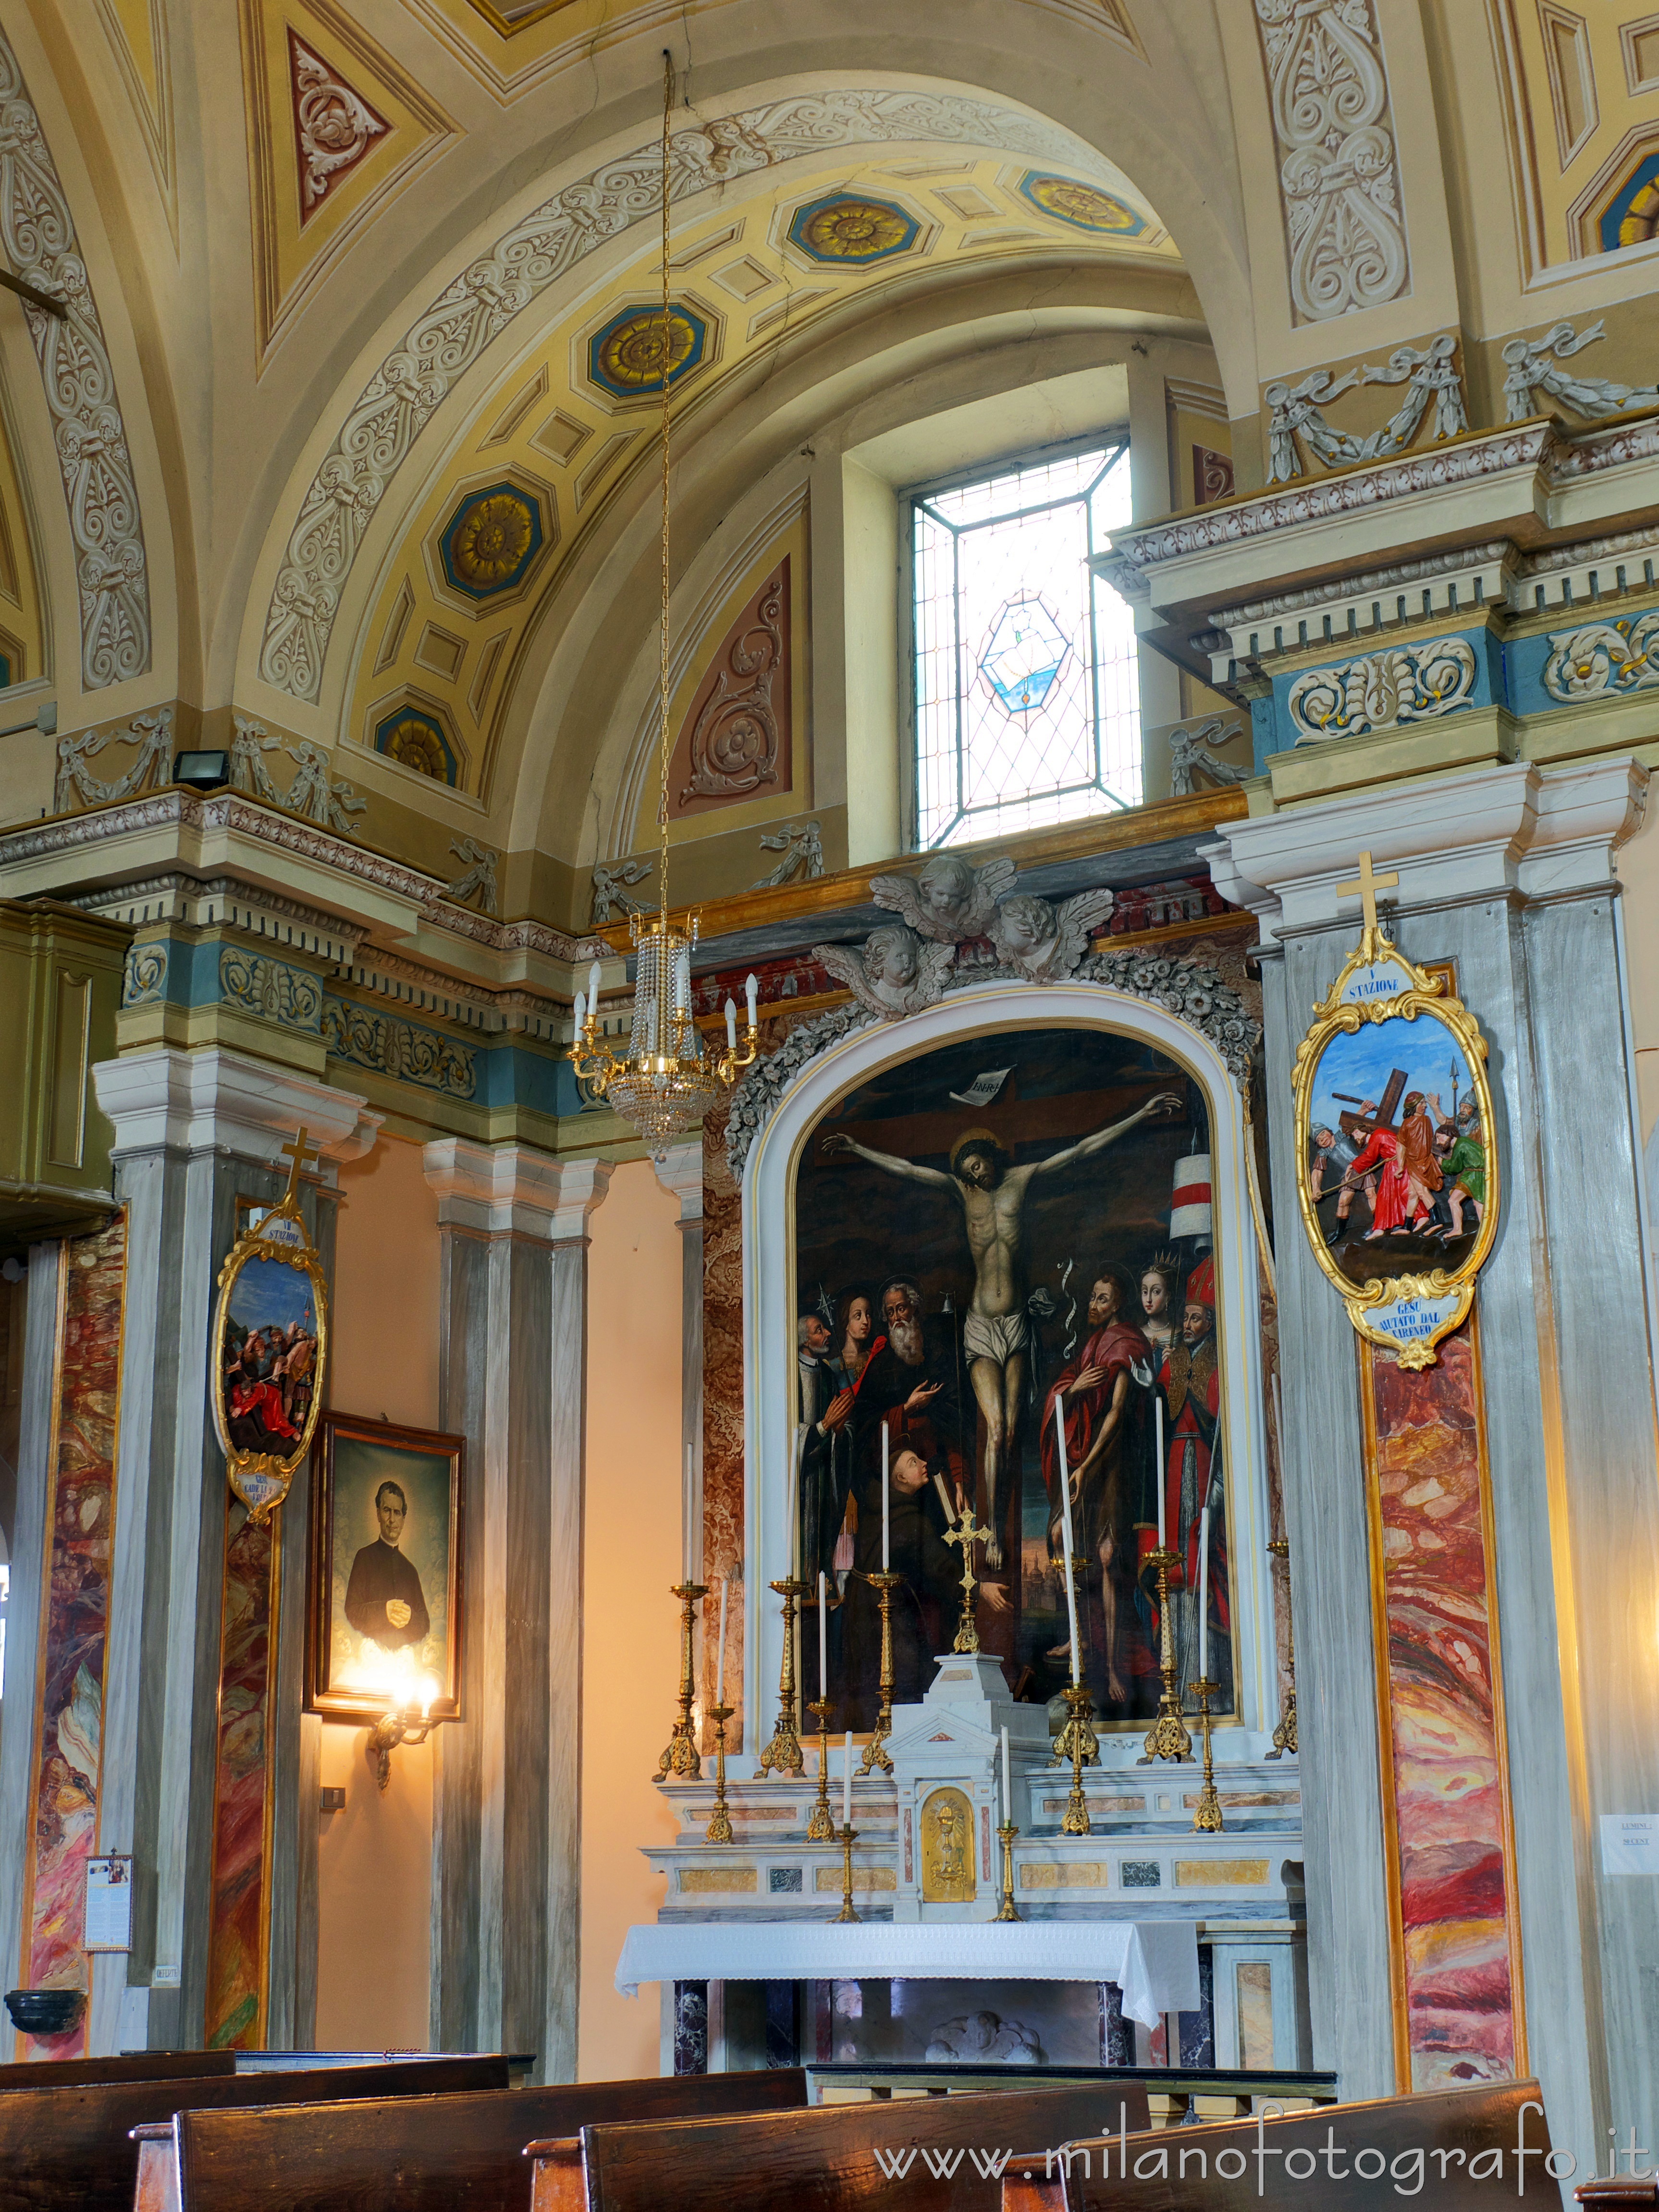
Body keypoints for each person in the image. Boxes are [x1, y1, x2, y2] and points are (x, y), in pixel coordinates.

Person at [822, 1088, 1180, 1568]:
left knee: (1011, 1429)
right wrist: (856, 1147)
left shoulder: (1021, 1180)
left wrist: (1140, 1111)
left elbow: (1078, 1152)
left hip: (1014, 1324)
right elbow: (910, 1171)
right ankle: (989, 1536)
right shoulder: (963, 1194)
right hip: (980, 1326)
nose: (975, 1175)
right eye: (967, 1171)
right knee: (993, 1429)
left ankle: (1004, 1524)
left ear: (991, 1159)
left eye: (979, 1166)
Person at [1039, 1266, 1152, 1707]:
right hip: (1082, 1462)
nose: (1093, 1304)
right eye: (1091, 1297)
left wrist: (1085, 1466)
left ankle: (1108, 1668)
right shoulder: (1088, 1348)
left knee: (1105, 1556)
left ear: (1117, 1304)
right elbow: (1062, 1392)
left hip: (1110, 1465)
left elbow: (1116, 1412)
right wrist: (1070, 1393)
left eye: (1102, 1298)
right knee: (1058, 1538)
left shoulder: (1124, 1343)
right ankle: (1076, 1636)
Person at [1143, 1260, 1226, 1694]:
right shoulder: (1173, 1357)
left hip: (1203, 1456)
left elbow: (1215, 1408)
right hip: (1176, 1458)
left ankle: (1207, 1667)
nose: (1188, 1324)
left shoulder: (1217, 1357)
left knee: (1203, 1549)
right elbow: (1160, 1403)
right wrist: (1151, 1389)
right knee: (1173, 1555)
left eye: (1196, 1318)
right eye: (1186, 1317)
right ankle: (1176, 1668)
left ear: (1210, 1322)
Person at [344, 1480, 431, 1652]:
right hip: (368, 1657)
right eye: (387, 1511)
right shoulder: (364, 1558)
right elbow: (351, 1612)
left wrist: (410, 1617)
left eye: (397, 1513)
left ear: (404, 1519)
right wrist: (385, 1611)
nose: (392, 1520)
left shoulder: (410, 1570)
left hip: (404, 1663)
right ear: (378, 1514)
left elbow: (425, 1624)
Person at [1309, 1124, 1374, 1245]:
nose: (1322, 1139)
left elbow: (1354, 1124)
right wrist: (1316, 1188)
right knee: (1343, 1202)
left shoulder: (1342, 1135)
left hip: (1362, 1167)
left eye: (1323, 1134)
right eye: (1319, 1140)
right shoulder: (1324, 1152)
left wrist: (1363, 1110)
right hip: (1349, 1176)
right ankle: (1339, 1233)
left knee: (1371, 1194)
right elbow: (1317, 1171)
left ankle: (1378, 1225)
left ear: (1329, 1131)